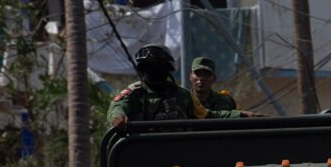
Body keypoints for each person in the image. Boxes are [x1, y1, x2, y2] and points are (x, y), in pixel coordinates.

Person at [108, 45, 255, 128]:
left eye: (158, 65)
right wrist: (118, 117)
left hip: (180, 157)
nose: (154, 70)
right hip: (145, 155)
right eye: (149, 66)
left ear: (167, 69)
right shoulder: (135, 93)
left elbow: (206, 115)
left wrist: (241, 114)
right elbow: (117, 107)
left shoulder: (181, 95)